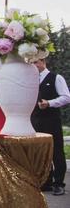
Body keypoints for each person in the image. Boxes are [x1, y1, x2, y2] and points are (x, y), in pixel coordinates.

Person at [30, 57, 70, 196]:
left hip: (51, 120)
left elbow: (66, 97)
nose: (33, 65)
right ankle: (46, 181)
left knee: (56, 151)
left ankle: (58, 183)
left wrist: (50, 103)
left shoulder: (55, 78)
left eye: (35, 62)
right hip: (35, 120)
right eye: (30, 62)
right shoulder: (31, 80)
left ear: (43, 62)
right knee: (41, 152)